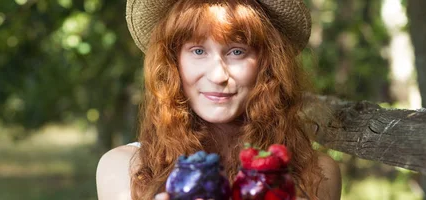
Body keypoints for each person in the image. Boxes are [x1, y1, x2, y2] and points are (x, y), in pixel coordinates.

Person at [96, 0, 342, 199]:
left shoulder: (317, 173)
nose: (218, 75)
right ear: (173, 62)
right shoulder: (124, 170)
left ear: (267, 65)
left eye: (237, 51)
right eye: (198, 51)